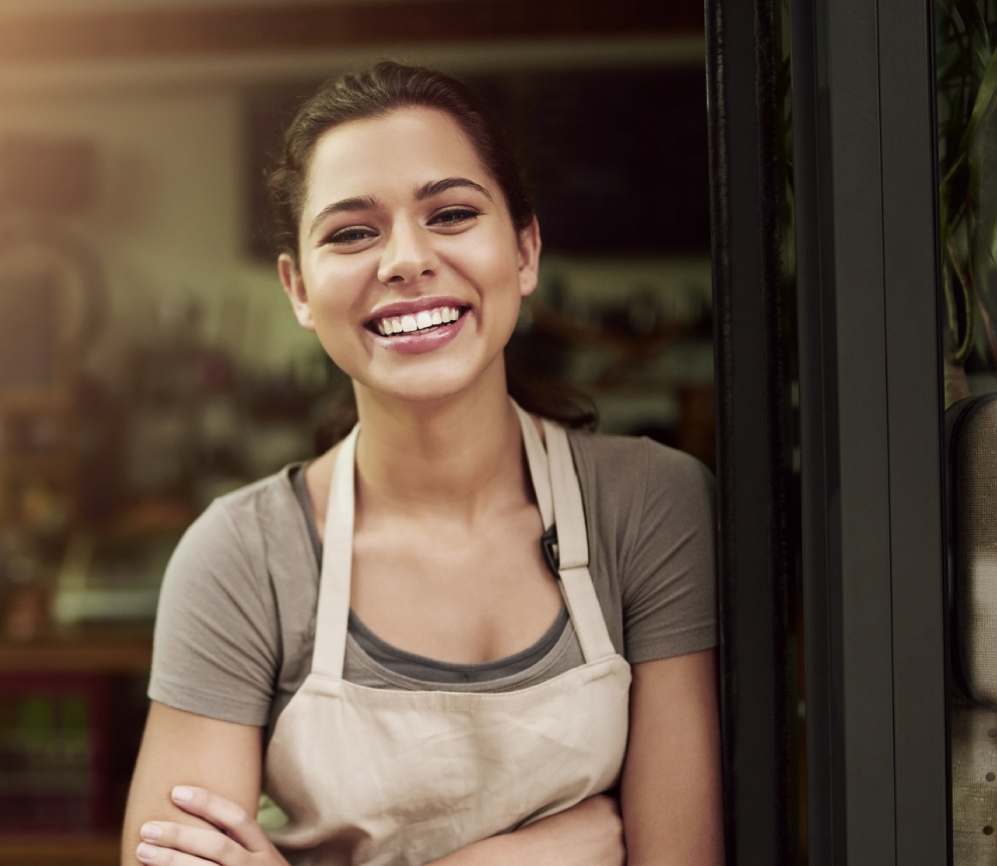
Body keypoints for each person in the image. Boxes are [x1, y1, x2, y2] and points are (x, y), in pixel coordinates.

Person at [121, 61, 722, 866]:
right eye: (352, 232)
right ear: (299, 290)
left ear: (526, 250)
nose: (405, 259)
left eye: (450, 213)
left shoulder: (650, 508)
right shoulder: (242, 557)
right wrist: (546, 852)